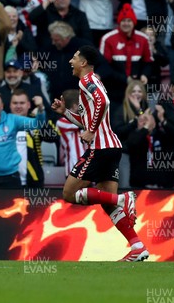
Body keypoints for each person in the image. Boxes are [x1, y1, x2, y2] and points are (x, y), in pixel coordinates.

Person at [50, 45, 148, 262]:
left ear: (83, 63)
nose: (71, 61)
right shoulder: (92, 82)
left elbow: (104, 103)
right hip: (111, 148)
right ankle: (137, 246)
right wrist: (65, 112)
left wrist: (92, 131)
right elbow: (86, 121)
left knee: (68, 193)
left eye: (74, 57)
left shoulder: (86, 81)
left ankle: (123, 198)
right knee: (107, 203)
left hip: (101, 148)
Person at [99, 4, 153, 104]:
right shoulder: (108, 39)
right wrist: (125, 79)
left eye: (129, 21)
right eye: (123, 21)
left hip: (136, 90)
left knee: (139, 115)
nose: (126, 24)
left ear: (134, 22)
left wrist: (145, 75)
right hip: (114, 89)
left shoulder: (143, 39)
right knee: (116, 117)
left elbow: (148, 62)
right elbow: (104, 67)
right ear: (119, 22)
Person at [10, 89, 53, 187]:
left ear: (28, 105)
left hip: (33, 180)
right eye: (15, 103)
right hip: (8, 181)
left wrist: (41, 108)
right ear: (10, 105)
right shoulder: (2, 125)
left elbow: (54, 136)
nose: (18, 106)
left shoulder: (35, 122)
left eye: (22, 103)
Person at [28, 0, 93, 48]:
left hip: (72, 53)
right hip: (48, 53)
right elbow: (31, 18)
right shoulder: (45, 12)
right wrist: (47, 1)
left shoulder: (79, 15)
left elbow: (87, 39)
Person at [56, 89, 86, 177]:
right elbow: (84, 123)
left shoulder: (84, 120)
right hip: (73, 167)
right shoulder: (62, 122)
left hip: (89, 166)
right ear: (75, 106)